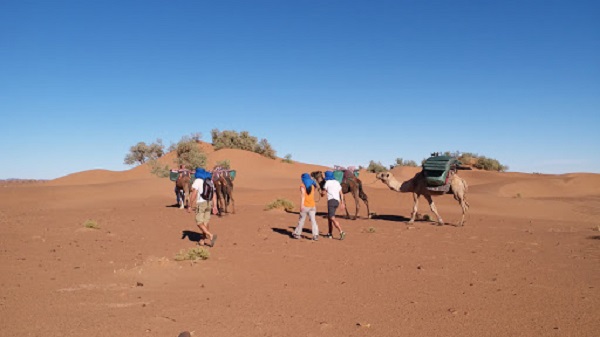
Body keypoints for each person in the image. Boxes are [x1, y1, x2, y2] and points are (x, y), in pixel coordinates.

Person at [190, 168, 219, 247]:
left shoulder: (198, 180)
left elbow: (194, 193)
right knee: (206, 221)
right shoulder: (210, 180)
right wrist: (215, 206)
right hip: (209, 203)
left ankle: (210, 235)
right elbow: (214, 194)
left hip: (201, 203)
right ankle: (202, 241)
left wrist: (190, 205)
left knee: (199, 222)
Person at [292, 173, 319, 241]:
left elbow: (303, 195)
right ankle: (315, 235)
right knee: (313, 220)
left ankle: (297, 234)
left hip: (305, 205)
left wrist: (301, 205)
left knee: (301, 220)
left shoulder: (302, 185)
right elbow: (315, 188)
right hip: (312, 206)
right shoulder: (313, 185)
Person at [322, 170, 346, 240]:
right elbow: (341, 193)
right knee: (330, 218)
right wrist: (342, 202)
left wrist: (321, 192)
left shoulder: (327, 182)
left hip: (331, 201)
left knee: (332, 218)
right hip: (337, 201)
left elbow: (323, 193)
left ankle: (341, 231)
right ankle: (330, 233)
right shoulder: (337, 182)